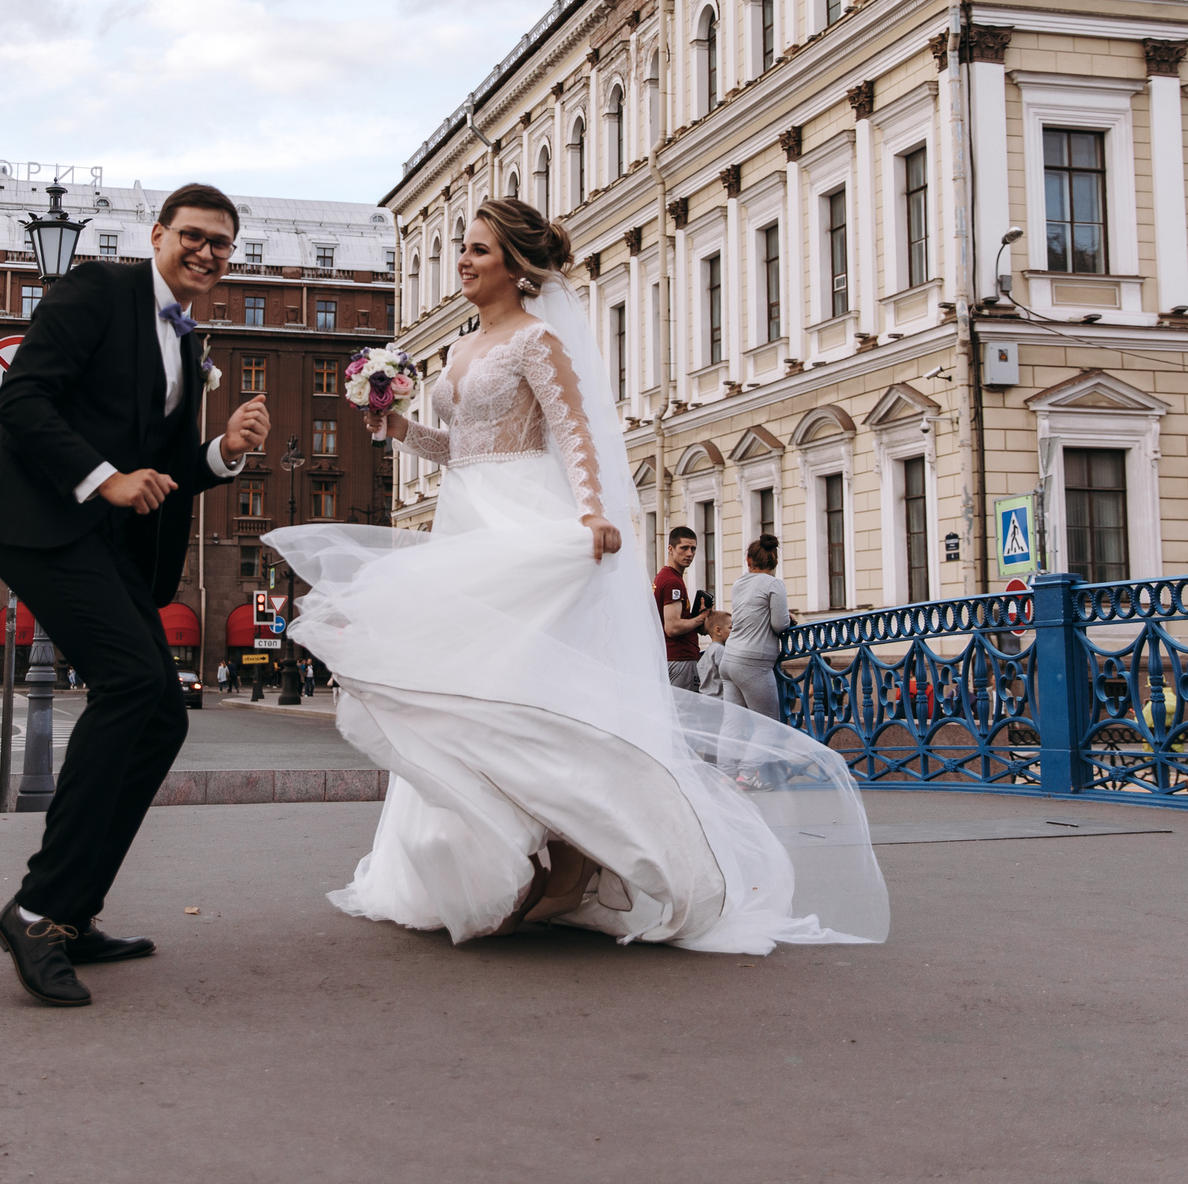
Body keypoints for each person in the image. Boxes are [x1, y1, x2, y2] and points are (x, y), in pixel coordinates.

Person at [266, 198, 886, 955]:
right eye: (462, 248)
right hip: (469, 520)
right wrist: (398, 428)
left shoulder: (538, 340)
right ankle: (481, 858)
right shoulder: (460, 351)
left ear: (516, 265)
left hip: (529, 515)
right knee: (473, 689)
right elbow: (459, 448)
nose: (463, 261)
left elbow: (578, 435)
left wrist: (592, 514)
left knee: (536, 689)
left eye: (479, 250)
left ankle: (566, 865)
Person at [0, 183, 270, 1009]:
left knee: (161, 712)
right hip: (38, 518)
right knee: (134, 685)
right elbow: (24, 397)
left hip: (104, 536)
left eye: (223, 243)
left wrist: (224, 450)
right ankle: (36, 909)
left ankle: (72, 909)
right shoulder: (96, 289)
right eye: (195, 237)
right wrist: (105, 480)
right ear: (159, 234)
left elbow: (163, 464)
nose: (209, 253)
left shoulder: (186, 334)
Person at [716, 536, 793, 722]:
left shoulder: (738, 583)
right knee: (767, 726)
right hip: (753, 663)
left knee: (734, 726)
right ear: (775, 561)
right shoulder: (774, 584)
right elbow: (779, 624)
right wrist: (788, 617)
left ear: (748, 561)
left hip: (729, 659)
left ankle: (728, 753)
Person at [652, 529, 703, 690]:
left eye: (693, 549)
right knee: (685, 713)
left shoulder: (665, 576)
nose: (689, 553)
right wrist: (701, 618)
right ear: (670, 549)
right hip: (679, 658)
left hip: (669, 657)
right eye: (684, 548)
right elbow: (672, 627)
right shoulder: (672, 581)